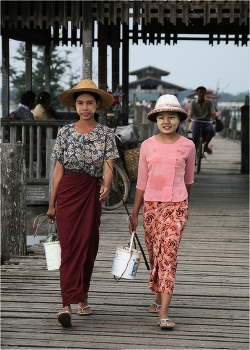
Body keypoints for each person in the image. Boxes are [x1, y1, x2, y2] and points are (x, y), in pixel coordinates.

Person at [46, 79, 119, 328]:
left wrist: (107, 184)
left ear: (97, 105)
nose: (84, 107)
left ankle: (83, 299)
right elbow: (58, 171)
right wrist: (52, 203)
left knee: (88, 246)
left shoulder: (106, 133)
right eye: (80, 103)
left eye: (89, 102)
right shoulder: (65, 132)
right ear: (75, 106)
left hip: (91, 190)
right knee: (69, 248)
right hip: (68, 191)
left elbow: (109, 163)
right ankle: (66, 303)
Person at [129, 94, 195, 330]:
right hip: (150, 208)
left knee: (168, 256)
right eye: (162, 117)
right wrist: (135, 214)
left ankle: (164, 313)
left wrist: (185, 207)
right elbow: (141, 183)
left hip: (177, 206)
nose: (167, 121)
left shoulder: (188, 146)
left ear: (179, 119)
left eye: (172, 117)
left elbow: (188, 181)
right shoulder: (147, 145)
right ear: (156, 119)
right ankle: (158, 296)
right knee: (155, 253)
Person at [188, 86, 216, 154]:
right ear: (197, 93)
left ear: (205, 94)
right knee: (194, 140)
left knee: (211, 131)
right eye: (200, 93)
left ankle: (206, 146)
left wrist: (213, 119)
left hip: (207, 121)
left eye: (203, 93)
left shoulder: (209, 102)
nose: (201, 94)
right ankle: (193, 157)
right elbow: (191, 112)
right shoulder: (193, 102)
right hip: (197, 121)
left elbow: (213, 112)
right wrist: (189, 117)